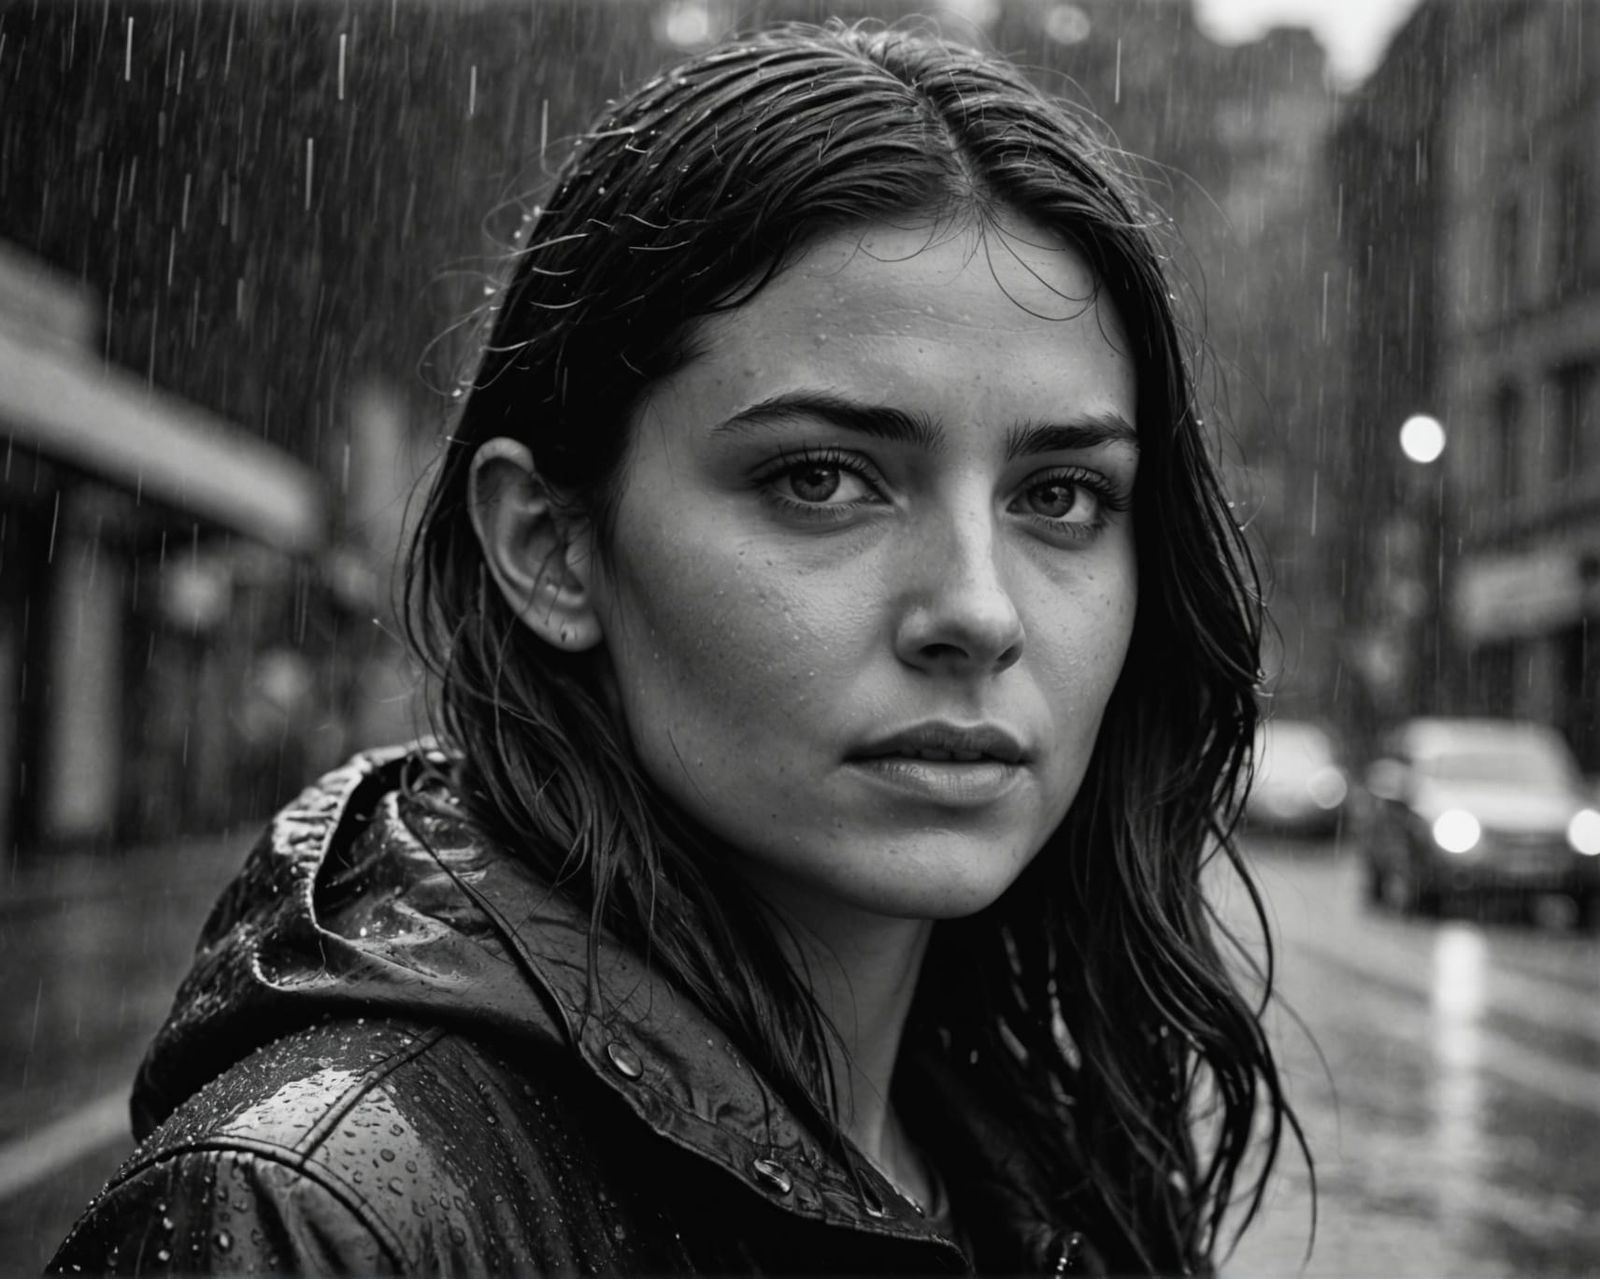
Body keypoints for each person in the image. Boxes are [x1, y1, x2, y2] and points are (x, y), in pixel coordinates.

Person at [52, 20, 1304, 1277]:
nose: (980, 611)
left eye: (1061, 495)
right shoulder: (321, 1218)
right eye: (820, 478)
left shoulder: (1042, 1166)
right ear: (549, 547)